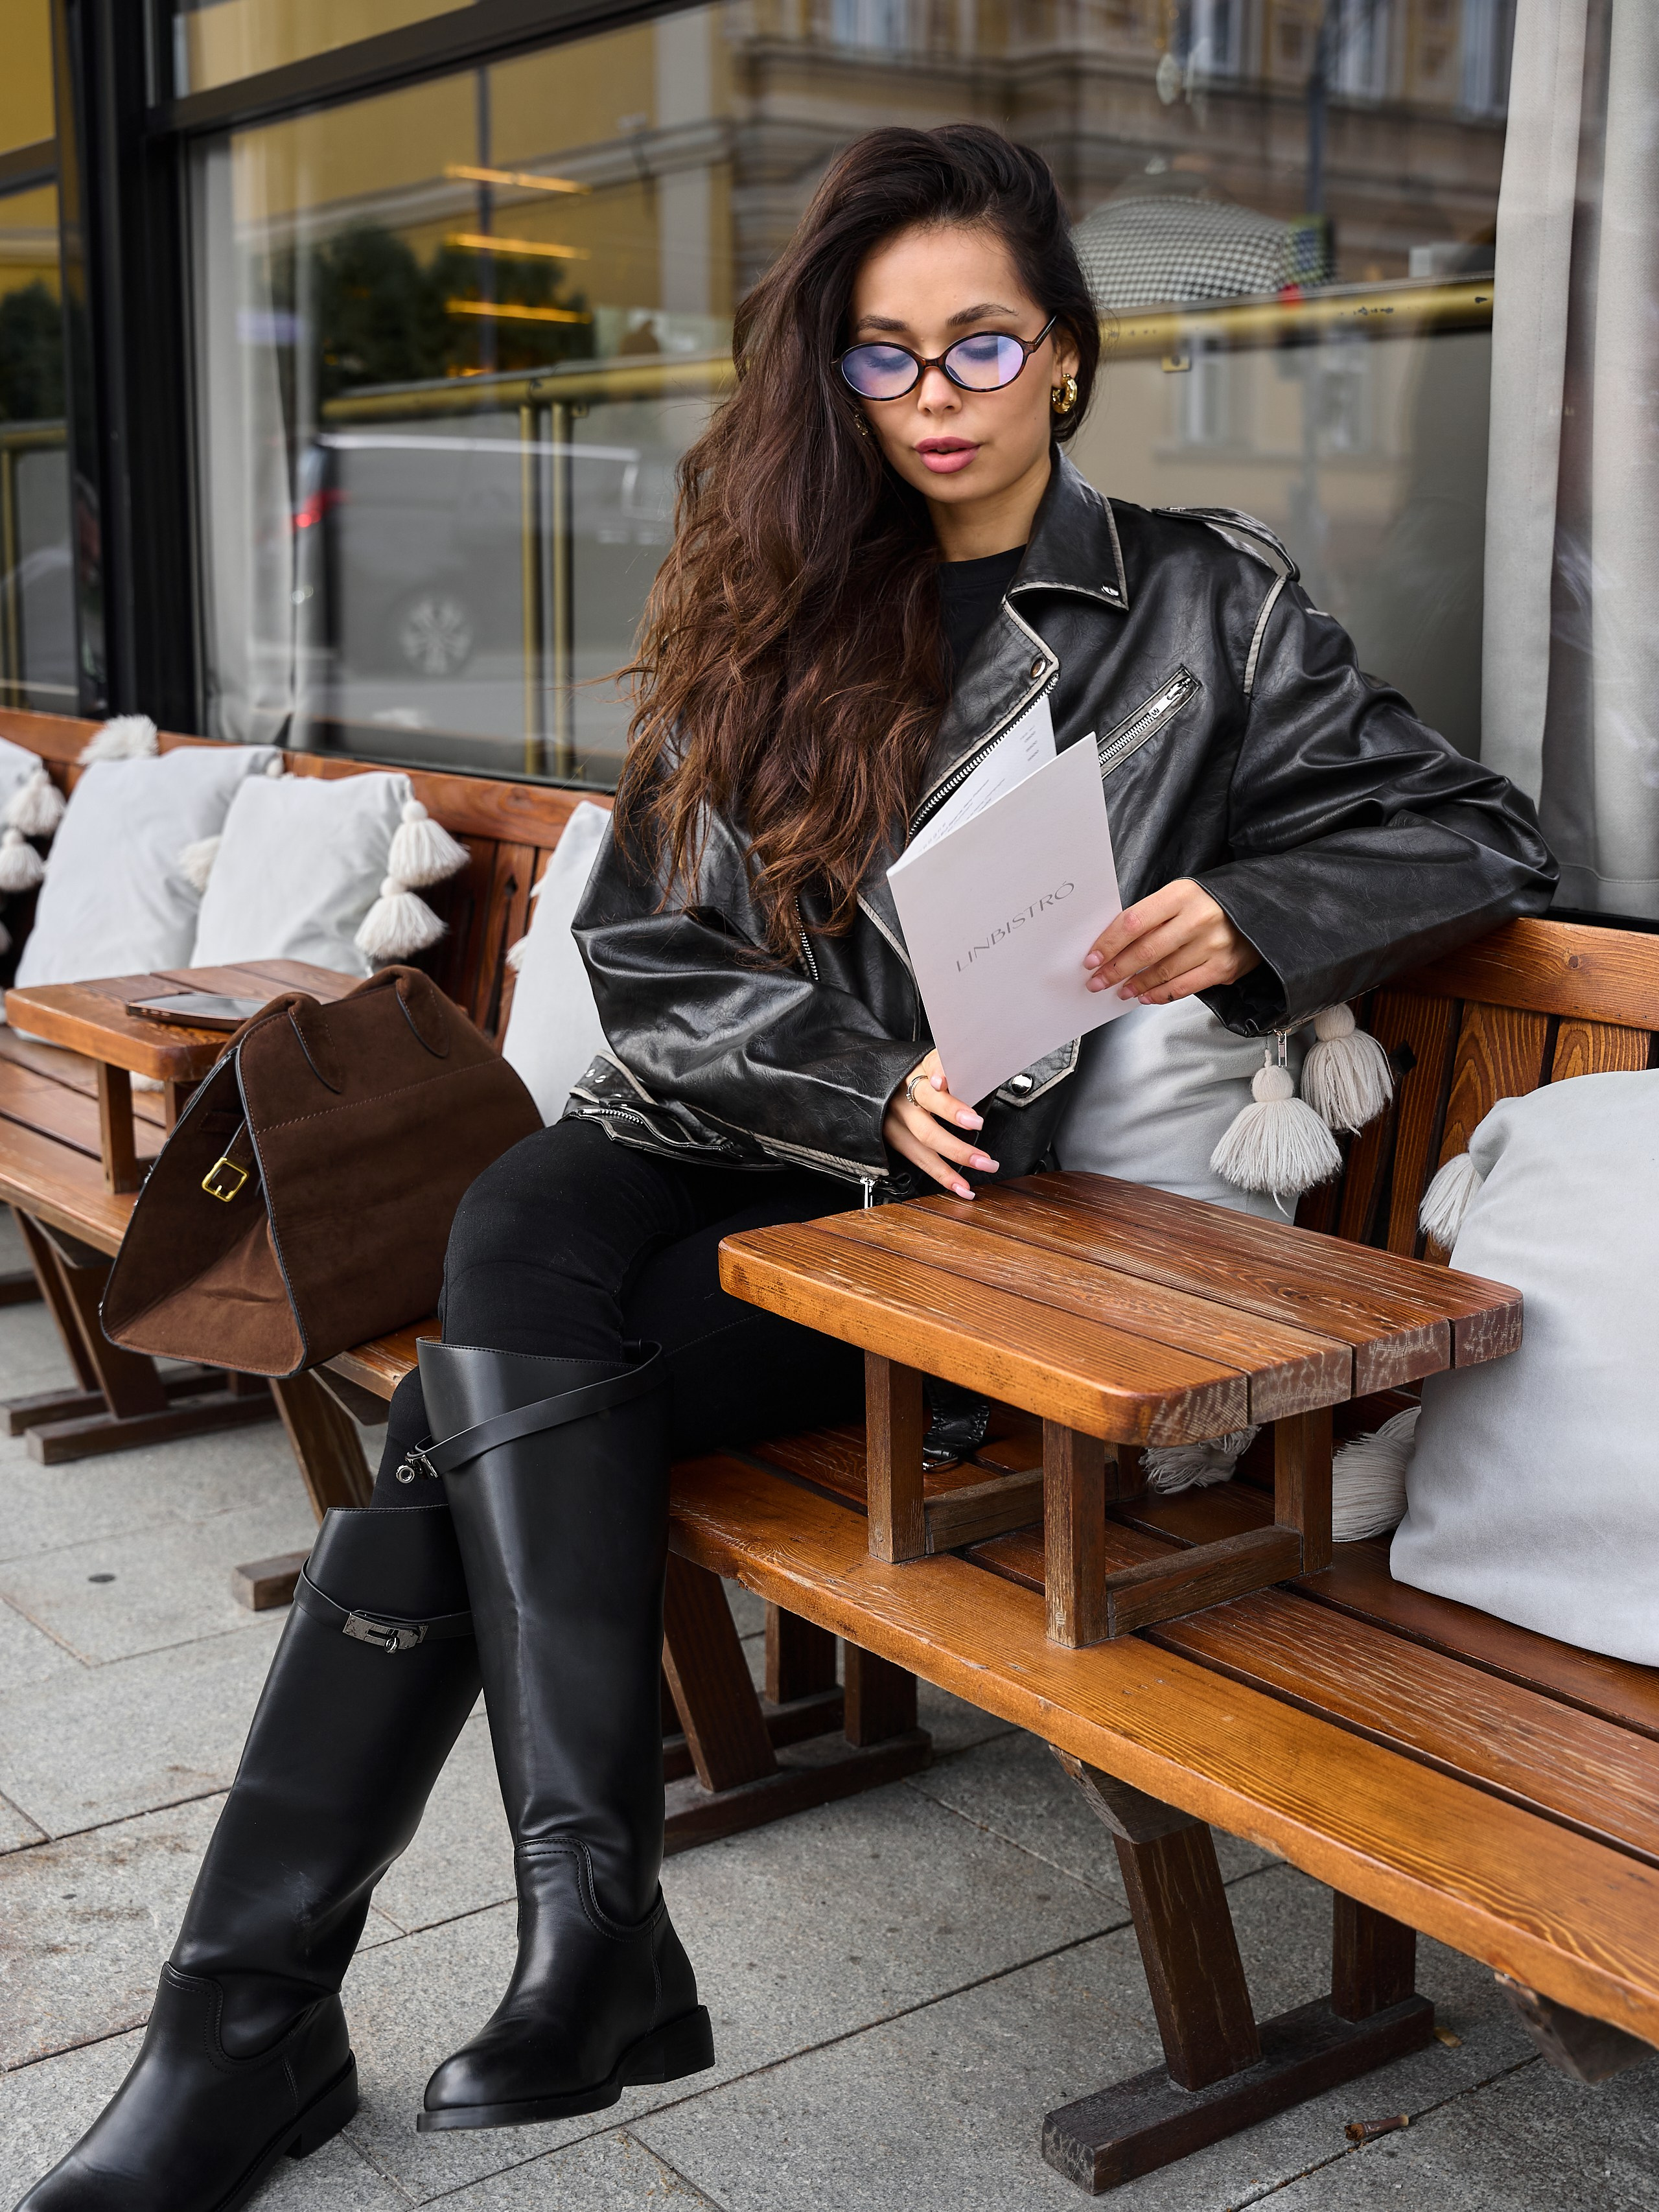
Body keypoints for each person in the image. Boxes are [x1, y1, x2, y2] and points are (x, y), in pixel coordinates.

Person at [17, 123, 1553, 2209]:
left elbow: (1476, 831)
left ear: (1068, 358)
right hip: (752, 1128)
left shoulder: (1209, 603)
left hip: (921, 1245)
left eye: (981, 347)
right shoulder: (768, 598)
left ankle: (274, 2015)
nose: (933, 398)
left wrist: (1263, 908)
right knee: (523, 1219)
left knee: (467, 1417)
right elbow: (646, 954)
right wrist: (866, 1074)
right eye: (883, 357)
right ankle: (568, 1933)